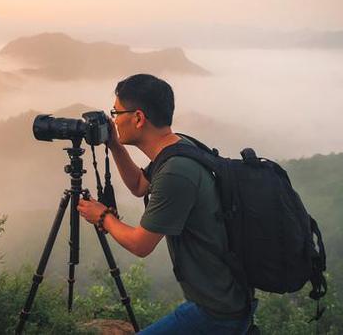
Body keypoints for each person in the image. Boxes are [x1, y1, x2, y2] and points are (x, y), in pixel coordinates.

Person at [77, 74, 255, 334]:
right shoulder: (180, 146)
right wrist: (114, 145)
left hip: (216, 312)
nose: (114, 120)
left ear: (138, 118)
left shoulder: (176, 172)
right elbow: (139, 185)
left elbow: (141, 244)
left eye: (116, 112)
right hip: (225, 300)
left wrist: (103, 217)